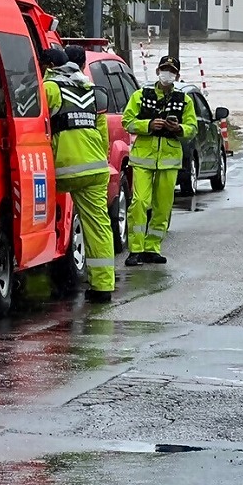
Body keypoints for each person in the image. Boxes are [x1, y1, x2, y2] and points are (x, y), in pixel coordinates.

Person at [41, 46, 116, 303]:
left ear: (48, 67)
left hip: (62, 170)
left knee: (38, 216)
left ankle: (44, 270)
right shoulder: (90, 90)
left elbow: (32, 120)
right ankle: (103, 286)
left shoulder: (49, 89)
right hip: (96, 168)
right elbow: (103, 132)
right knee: (98, 226)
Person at [121, 55, 196, 266]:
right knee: (139, 203)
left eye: (171, 71)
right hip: (143, 159)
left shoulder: (184, 101)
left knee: (163, 206)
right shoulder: (140, 95)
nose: (167, 74)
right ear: (157, 71)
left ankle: (152, 247)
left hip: (169, 160)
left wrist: (178, 128)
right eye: (164, 69)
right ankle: (135, 249)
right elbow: (127, 121)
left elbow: (192, 129)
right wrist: (148, 125)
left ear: (177, 75)